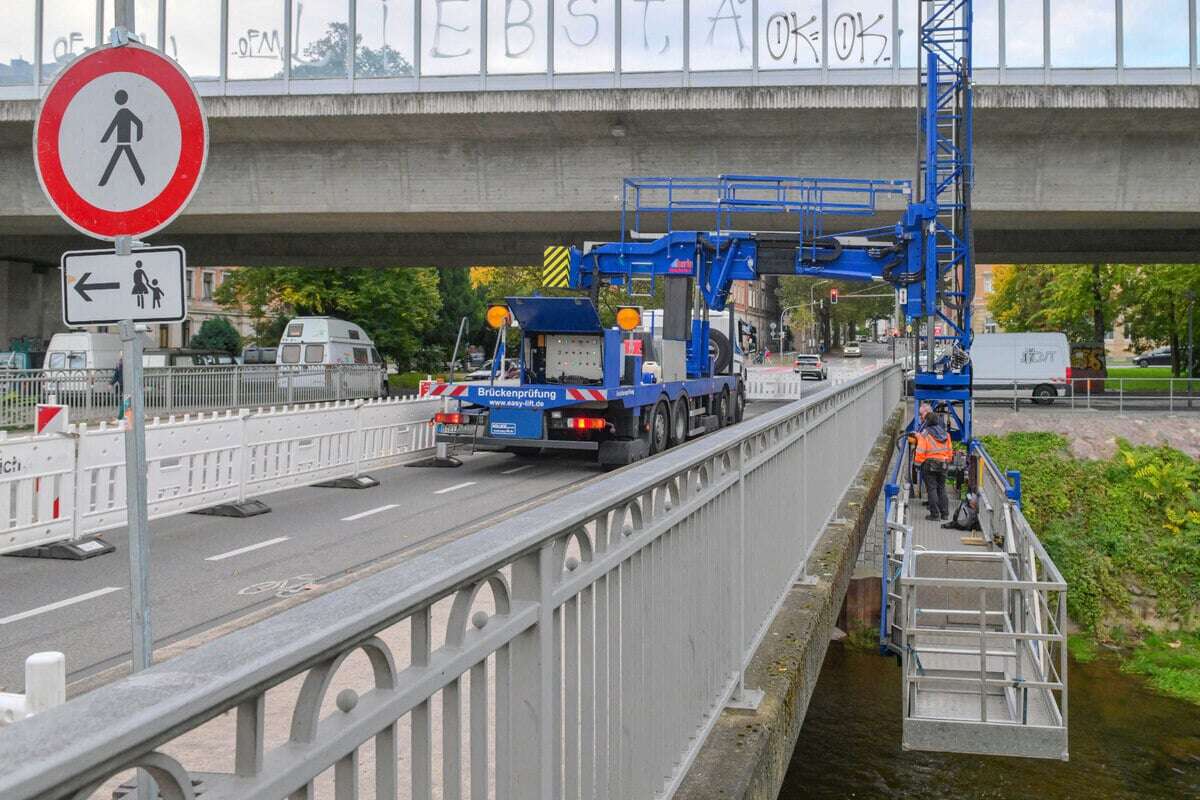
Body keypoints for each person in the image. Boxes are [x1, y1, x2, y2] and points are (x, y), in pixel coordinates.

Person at [912, 412, 953, 521]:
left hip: (930, 464)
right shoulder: (945, 434)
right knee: (942, 488)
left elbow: (920, 450)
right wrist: (948, 460)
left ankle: (935, 515)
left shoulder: (925, 434)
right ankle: (945, 514)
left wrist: (917, 464)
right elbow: (949, 451)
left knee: (932, 489)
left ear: (927, 422)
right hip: (944, 463)